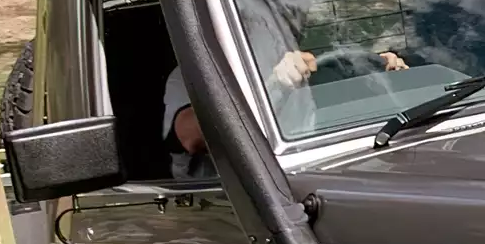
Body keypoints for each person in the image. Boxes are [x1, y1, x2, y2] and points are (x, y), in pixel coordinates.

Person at [163, 48, 408, 178]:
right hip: (226, 198)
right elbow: (191, 137)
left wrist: (382, 74)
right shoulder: (191, 74)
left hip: (304, 172)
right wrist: (275, 87)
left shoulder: (297, 62)